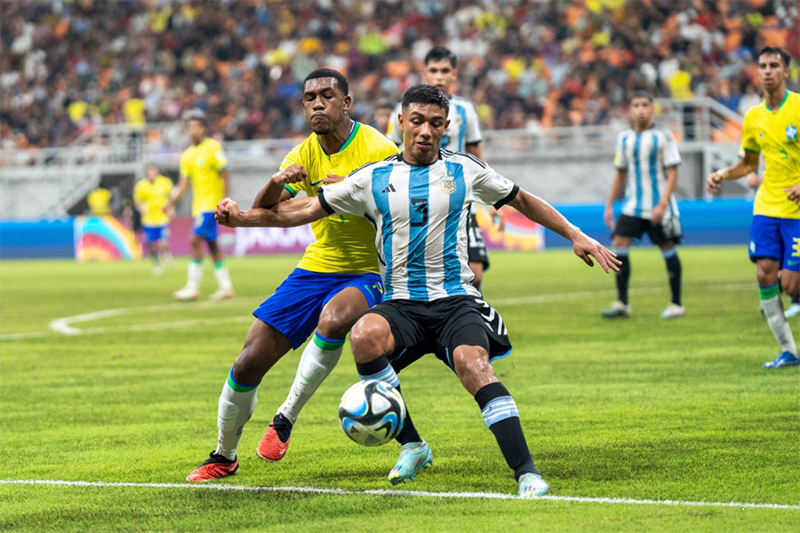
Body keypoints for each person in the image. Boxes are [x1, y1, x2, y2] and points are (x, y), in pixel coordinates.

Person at [216, 85, 620, 498]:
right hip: (402, 304)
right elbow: (302, 210)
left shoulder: (466, 169)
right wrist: (242, 218)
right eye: (417, 121)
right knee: (364, 335)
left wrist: (575, 234)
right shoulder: (372, 178)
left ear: (446, 128)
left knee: (473, 366)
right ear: (401, 124)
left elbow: (522, 199)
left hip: (455, 301)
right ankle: (412, 445)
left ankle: (527, 473)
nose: (425, 131)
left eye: (435, 123)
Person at [186, 69, 398, 482]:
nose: (317, 104)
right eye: (309, 98)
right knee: (248, 363)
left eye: (327, 96)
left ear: (346, 103)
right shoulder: (302, 153)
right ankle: (224, 456)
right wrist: (275, 180)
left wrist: (359, 189)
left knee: (335, 319)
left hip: (371, 268)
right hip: (315, 266)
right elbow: (269, 207)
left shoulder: (379, 147)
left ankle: (285, 417)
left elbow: (400, 208)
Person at [706, 46, 800, 368]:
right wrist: (723, 173)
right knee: (764, 275)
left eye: (775, 65)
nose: (768, 70)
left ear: (786, 71)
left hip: (798, 210)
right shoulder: (753, 117)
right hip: (766, 205)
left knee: (791, 283)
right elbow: (748, 163)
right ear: (757, 72)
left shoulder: (799, 108)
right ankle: (789, 351)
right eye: (763, 66)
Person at [386, 46, 503, 291]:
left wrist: (493, 200)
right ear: (424, 73)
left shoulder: (465, 110)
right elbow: (390, 152)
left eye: (445, 71)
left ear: (454, 75)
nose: (439, 76)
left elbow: (476, 154)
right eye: (434, 70)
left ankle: (469, 316)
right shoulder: (403, 110)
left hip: (457, 197)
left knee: (476, 273)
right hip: (416, 194)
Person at [601, 91, 685, 319]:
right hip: (632, 205)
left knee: (667, 247)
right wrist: (609, 204)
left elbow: (673, 173)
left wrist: (663, 203)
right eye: (636, 105)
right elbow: (620, 173)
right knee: (619, 244)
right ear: (630, 109)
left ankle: (676, 304)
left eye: (645, 105)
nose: (640, 109)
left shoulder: (663, 136)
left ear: (652, 108)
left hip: (658, 206)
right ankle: (622, 303)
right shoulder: (624, 138)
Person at [168, 111, 234, 301]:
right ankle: (226, 286)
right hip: (199, 206)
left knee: (194, 240)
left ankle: (193, 287)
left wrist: (226, 200)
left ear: (203, 129)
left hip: (211, 206)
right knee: (212, 246)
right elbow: (183, 185)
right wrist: (171, 201)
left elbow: (225, 174)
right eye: (189, 127)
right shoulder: (187, 154)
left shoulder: (213, 147)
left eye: (195, 127)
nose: (192, 130)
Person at [133, 163, 174, 275]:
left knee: (163, 242)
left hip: (162, 218)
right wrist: (141, 208)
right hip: (149, 219)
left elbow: (171, 197)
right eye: (149, 171)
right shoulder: (141, 185)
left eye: (153, 171)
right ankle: (156, 263)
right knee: (151, 244)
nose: (151, 174)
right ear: (146, 173)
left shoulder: (165, 182)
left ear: (157, 172)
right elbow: (138, 202)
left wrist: (170, 208)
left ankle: (166, 254)